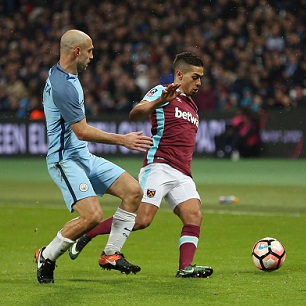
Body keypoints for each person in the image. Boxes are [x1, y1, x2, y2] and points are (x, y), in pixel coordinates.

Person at [69, 52, 213, 278]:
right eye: (195, 77)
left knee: (194, 216)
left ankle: (185, 267)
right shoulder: (162, 91)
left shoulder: (192, 106)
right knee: (143, 219)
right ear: (179, 74)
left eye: (201, 78)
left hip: (183, 173)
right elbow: (135, 113)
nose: (199, 82)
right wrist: (159, 101)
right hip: (159, 166)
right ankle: (88, 234)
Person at [35, 29, 153, 284]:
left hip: (83, 157)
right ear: (76, 51)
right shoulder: (62, 86)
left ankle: (111, 254)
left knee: (133, 192)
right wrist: (123, 140)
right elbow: (82, 131)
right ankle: (46, 256)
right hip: (64, 160)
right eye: (89, 50)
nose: (92, 56)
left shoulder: (65, 74)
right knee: (92, 216)